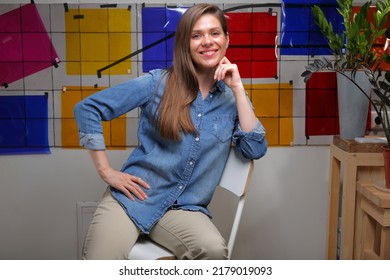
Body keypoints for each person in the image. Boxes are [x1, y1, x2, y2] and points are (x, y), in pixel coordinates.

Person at [73, 3, 267, 260]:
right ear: (185, 43)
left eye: (215, 33)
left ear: (227, 39)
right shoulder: (157, 83)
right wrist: (107, 172)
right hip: (132, 199)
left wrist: (239, 89)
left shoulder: (233, 99)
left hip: (184, 210)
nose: (207, 42)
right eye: (196, 35)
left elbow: (254, 148)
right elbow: (88, 109)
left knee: (213, 252)